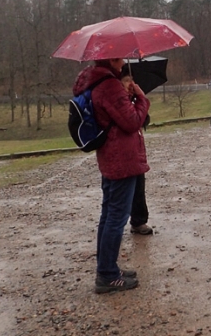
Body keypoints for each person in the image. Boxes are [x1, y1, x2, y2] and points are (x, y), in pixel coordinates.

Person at [73, 58, 150, 293]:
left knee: (109, 215)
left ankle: (107, 268)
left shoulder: (97, 82)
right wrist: (141, 99)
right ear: (111, 59)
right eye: (119, 58)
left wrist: (128, 99)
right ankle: (107, 275)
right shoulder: (110, 86)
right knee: (116, 218)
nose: (123, 62)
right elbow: (132, 122)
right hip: (122, 159)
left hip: (111, 157)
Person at [120, 73, 153, 236]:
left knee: (139, 187)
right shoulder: (119, 102)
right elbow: (132, 123)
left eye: (132, 80)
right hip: (123, 152)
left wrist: (139, 100)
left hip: (136, 151)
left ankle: (139, 220)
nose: (131, 84)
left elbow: (143, 120)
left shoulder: (131, 101)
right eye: (127, 81)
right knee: (121, 192)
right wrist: (141, 99)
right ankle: (116, 226)